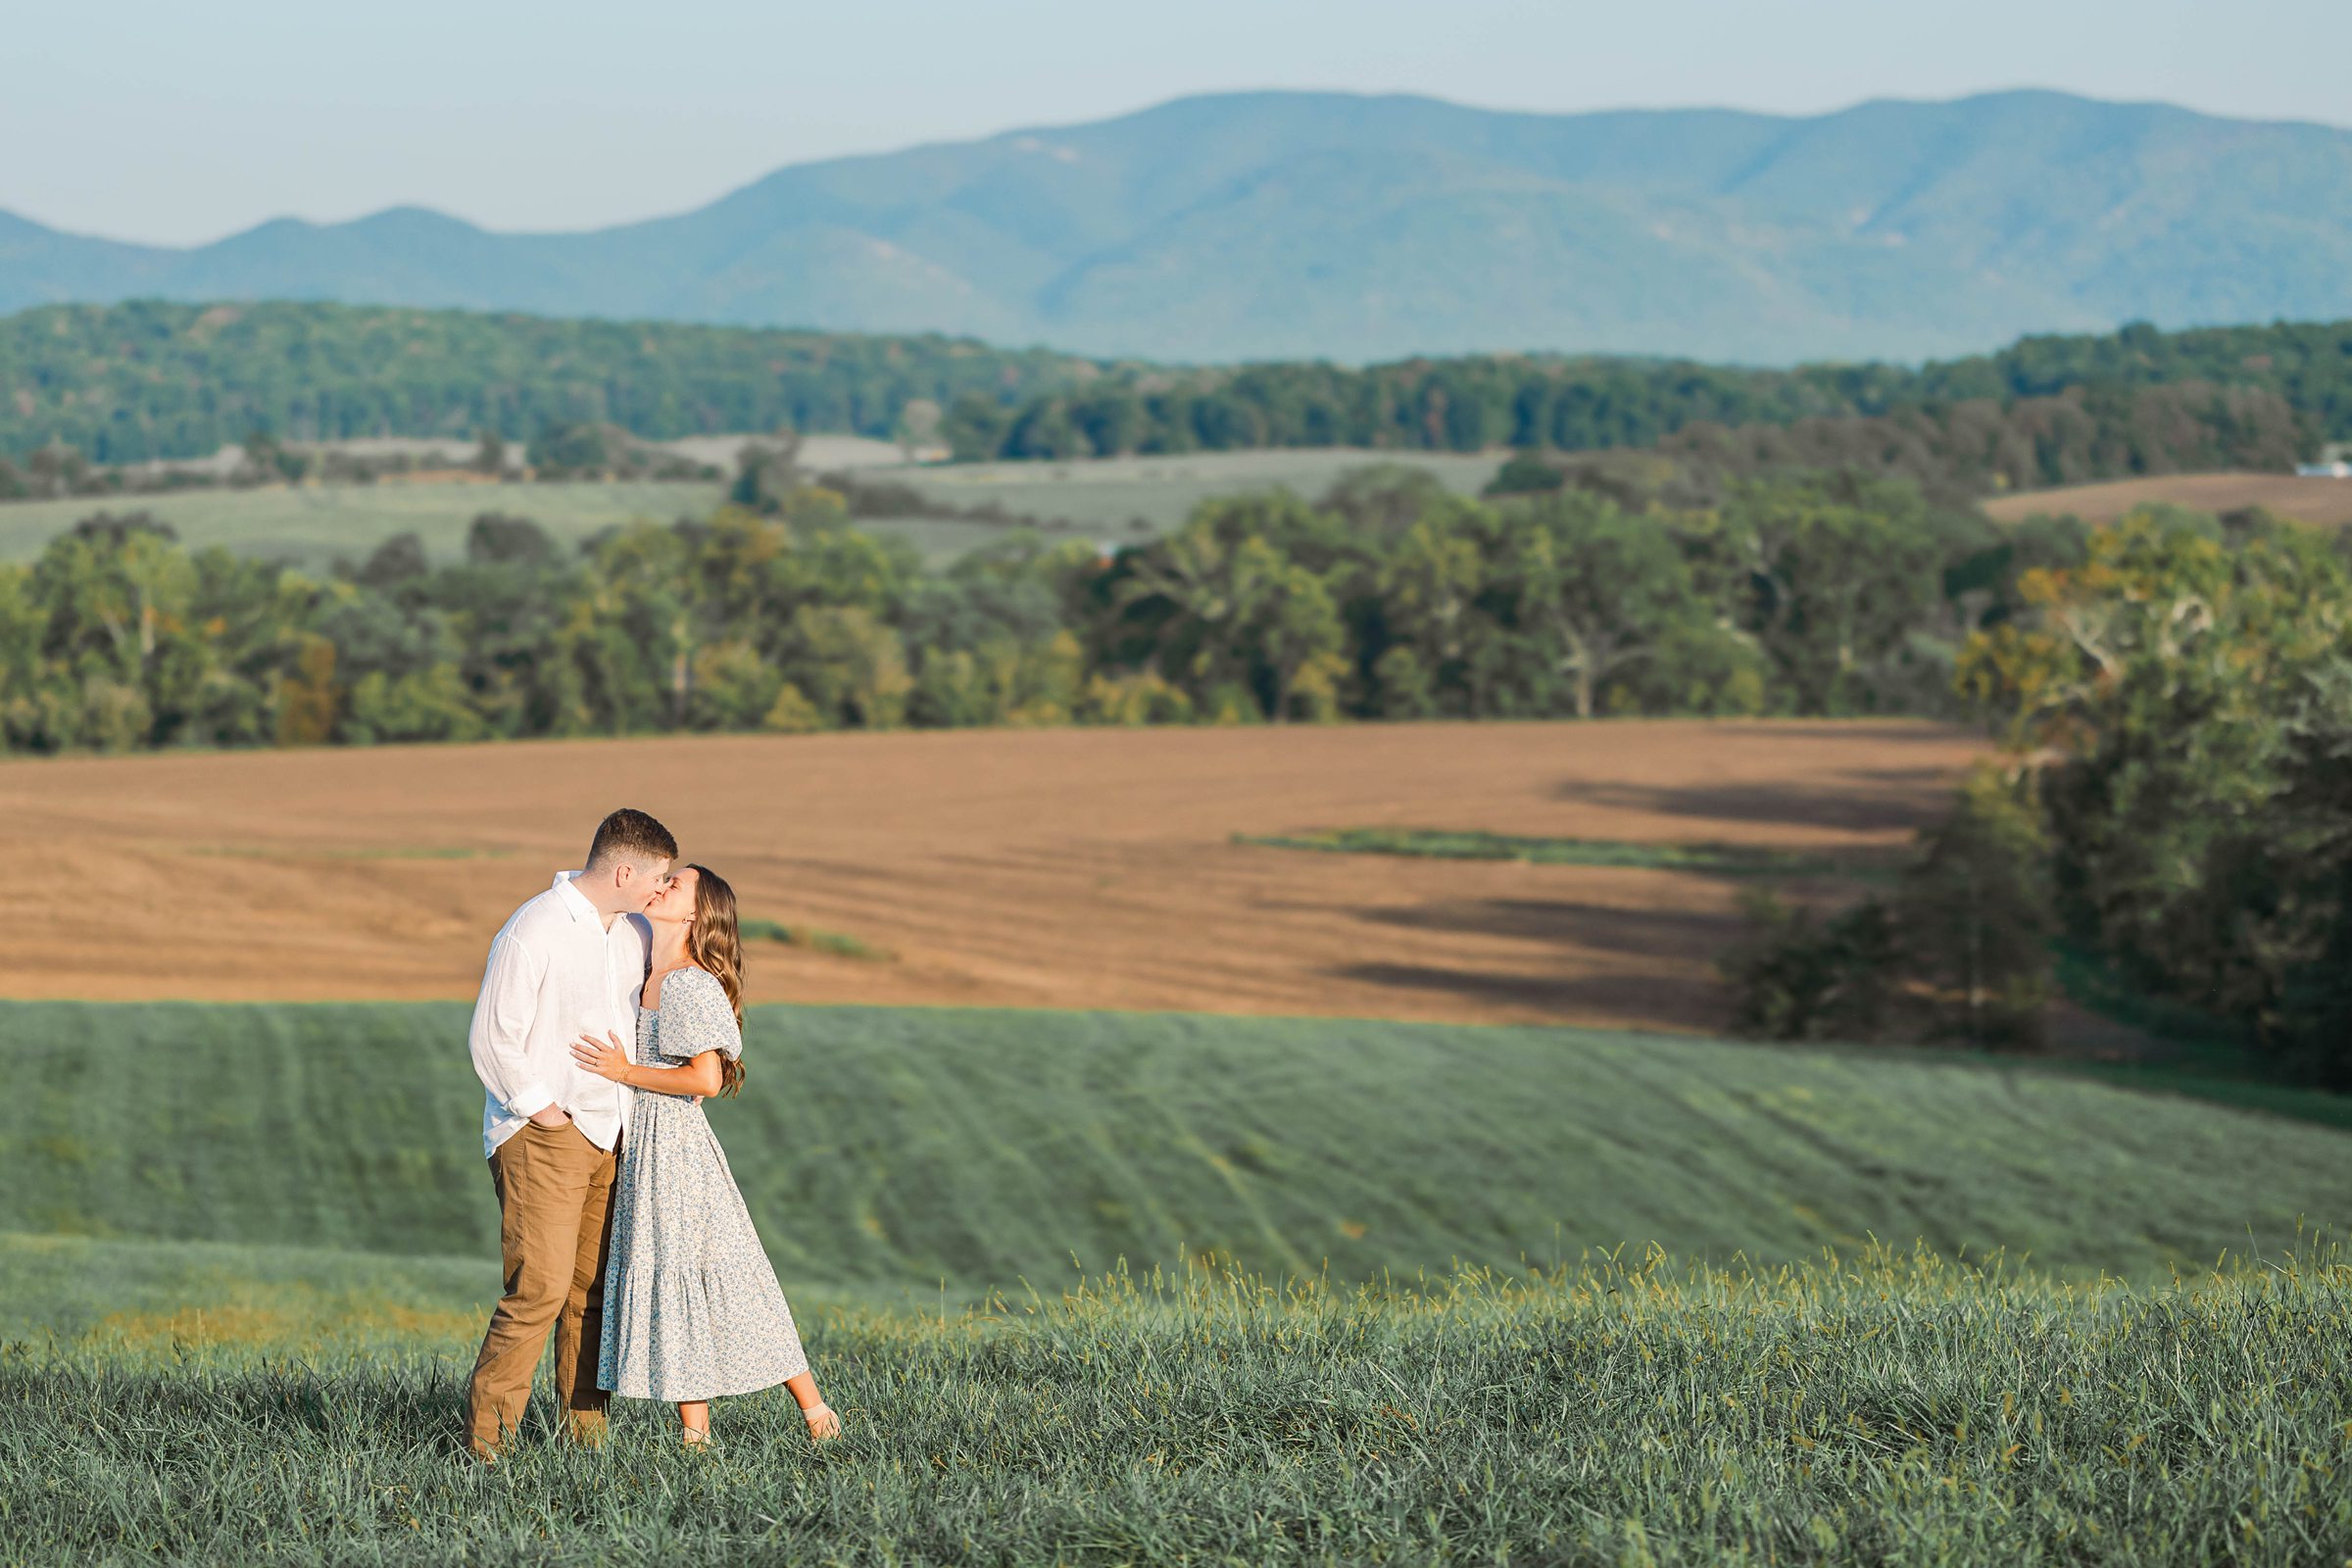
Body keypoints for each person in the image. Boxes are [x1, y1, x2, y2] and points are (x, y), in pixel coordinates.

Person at [569, 862, 843, 1448]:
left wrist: (623, 1071)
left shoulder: (688, 983)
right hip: (650, 1148)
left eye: (676, 885)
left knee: (722, 1278)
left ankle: (816, 1414)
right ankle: (698, 1436)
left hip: (677, 1152)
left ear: (695, 913)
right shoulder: (653, 971)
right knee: (681, 1284)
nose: (661, 885)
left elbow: (706, 1079)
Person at [461, 808, 675, 1463]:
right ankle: (486, 1449)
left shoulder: (629, 932)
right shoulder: (536, 928)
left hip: (613, 1136)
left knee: (592, 1293)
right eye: (656, 880)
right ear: (624, 870)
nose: (658, 893)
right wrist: (543, 1111)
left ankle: (584, 1442)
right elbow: (492, 1036)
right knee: (540, 1291)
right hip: (544, 1134)